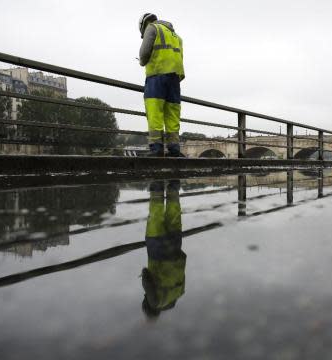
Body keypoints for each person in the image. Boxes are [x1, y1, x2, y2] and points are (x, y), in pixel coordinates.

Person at [138, 13, 185, 157]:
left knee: (155, 111)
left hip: (157, 76)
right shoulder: (176, 36)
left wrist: (141, 62)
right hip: (174, 79)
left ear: (143, 25)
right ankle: (174, 148)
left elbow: (144, 55)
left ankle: (156, 148)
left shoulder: (152, 28)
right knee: (172, 114)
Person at [141, 180, 187, 319]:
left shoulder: (177, 295)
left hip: (175, 249)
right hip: (157, 253)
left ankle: (173, 186)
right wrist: (144, 273)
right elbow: (146, 279)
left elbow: (182, 276)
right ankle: (156, 187)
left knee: (174, 216)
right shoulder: (154, 302)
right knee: (155, 217)